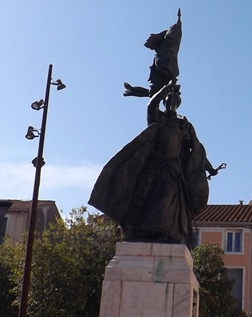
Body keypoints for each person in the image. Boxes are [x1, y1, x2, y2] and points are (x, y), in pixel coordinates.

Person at [89, 81, 224, 248]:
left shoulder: (183, 126)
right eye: (168, 100)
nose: (171, 103)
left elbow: (196, 150)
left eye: (174, 101)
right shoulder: (157, 119)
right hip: (152, 166)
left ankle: (165, 234)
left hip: (172, 171)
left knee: (167, 202)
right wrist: (165, 89)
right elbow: (151, 104)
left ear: (178, 104)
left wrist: (210, 168)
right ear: (164, 101)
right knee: (142, 200)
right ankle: (137, 232)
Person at [123, 9, 182, 102]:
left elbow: (173, 39)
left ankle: (132, 90)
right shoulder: (162, 50)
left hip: (165, 73)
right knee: (153, 93)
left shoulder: (168, 47)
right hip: (163, 73)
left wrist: (178, 23)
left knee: (153, 93)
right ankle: (132, 90)